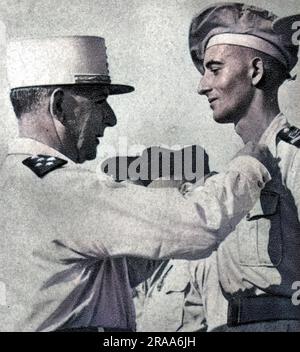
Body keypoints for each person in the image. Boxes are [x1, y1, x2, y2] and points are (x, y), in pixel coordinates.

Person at [0, 35, 271, 332]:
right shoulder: (59, 188)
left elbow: (102, 276)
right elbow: (200, 224)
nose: (111, 118)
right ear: (60, 106)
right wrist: (248, 165)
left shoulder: (17, 180)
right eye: (100, 101)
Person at [188, 2, 300, 331]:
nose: (202, 85)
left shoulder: (294, 159)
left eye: (215, 68)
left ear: (254, 71)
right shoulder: (233, 171)